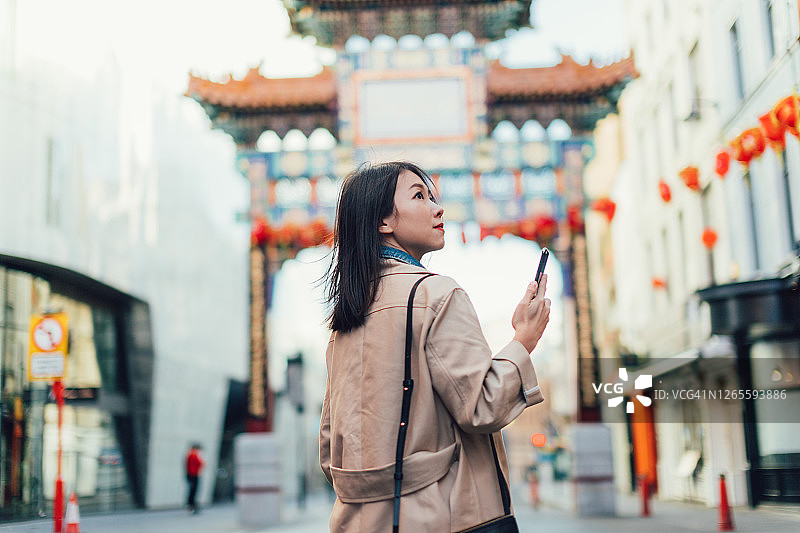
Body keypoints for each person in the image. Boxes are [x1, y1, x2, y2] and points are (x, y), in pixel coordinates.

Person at [320, 161, 551, 532]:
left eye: (432, 196)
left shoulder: (346, 316)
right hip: (445, 517)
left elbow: (331, 448)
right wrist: (524, 339)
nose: (437, 207)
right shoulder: (435, 294)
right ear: (384, 222)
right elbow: (482, 406)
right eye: (419, 196)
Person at [185, 443, 204, 514]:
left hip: (191, 474)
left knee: (192, 490)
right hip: (193, 475)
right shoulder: (193, 454)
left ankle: (191, 505)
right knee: (193, 491)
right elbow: (201, 463)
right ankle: (191, 505)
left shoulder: (190, 454)